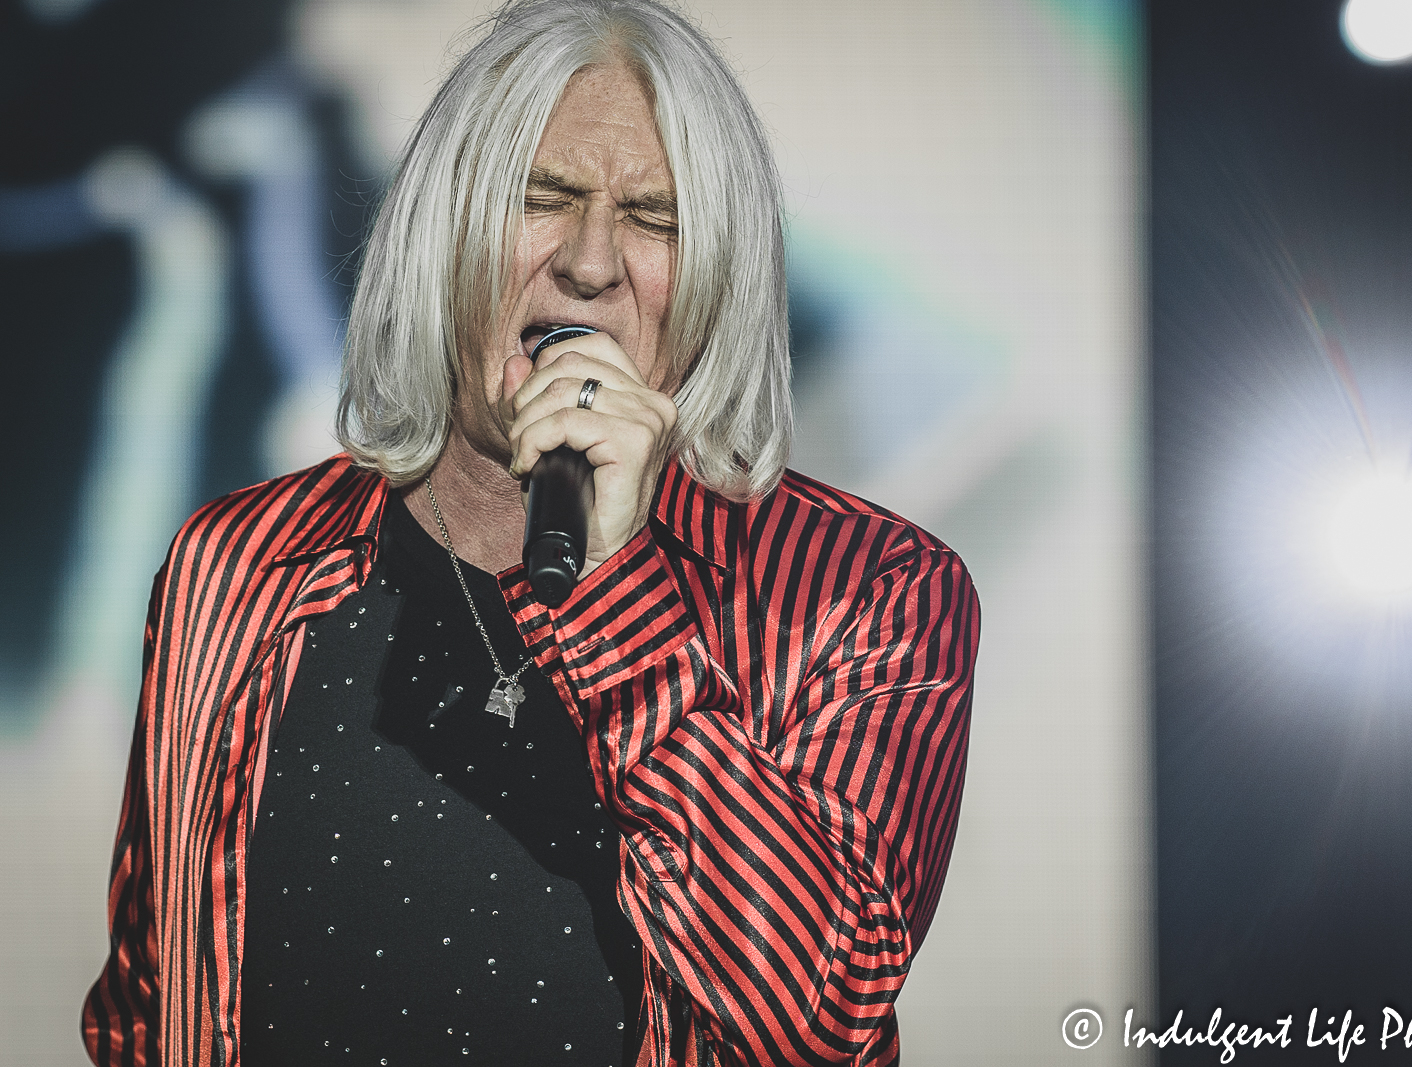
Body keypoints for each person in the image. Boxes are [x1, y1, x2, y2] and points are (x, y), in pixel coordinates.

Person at [81, 0, 978, 1064]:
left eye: (656, 218)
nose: (591, 264)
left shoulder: (866, 590)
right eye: (542, 200)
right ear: (442, 229)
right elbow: (146, 1009)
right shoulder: (234, 569)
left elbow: (820, 1013)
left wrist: (616, 582)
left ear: (714, 277)